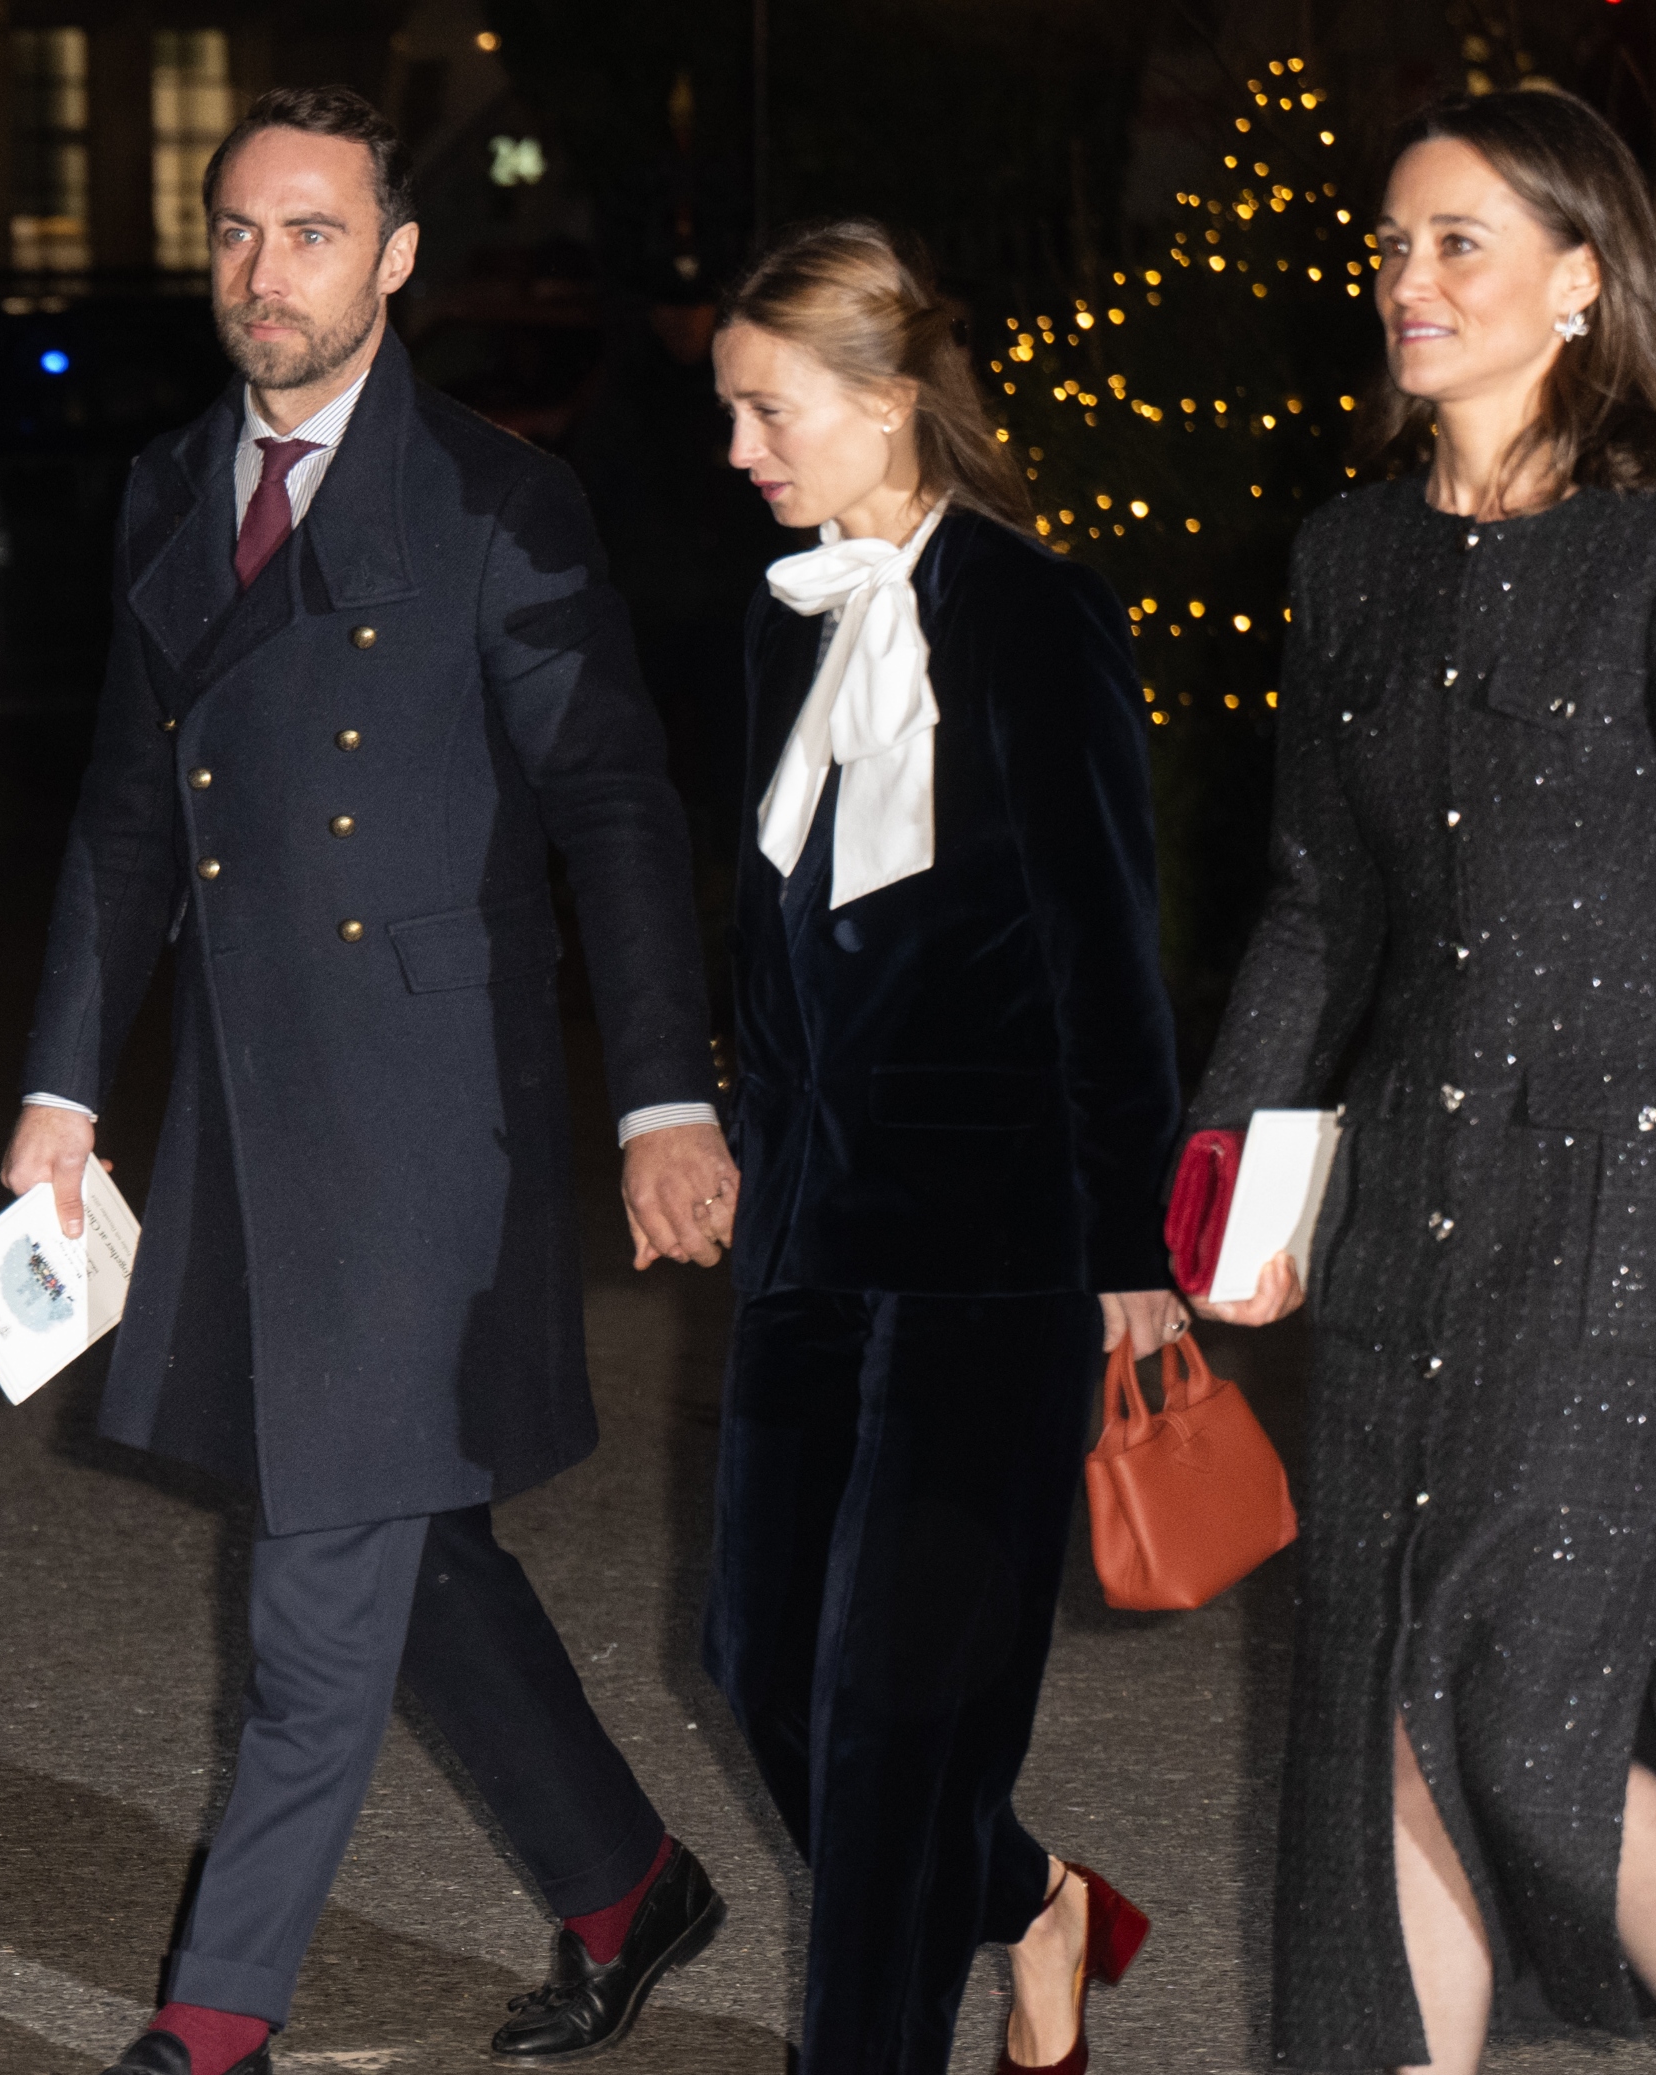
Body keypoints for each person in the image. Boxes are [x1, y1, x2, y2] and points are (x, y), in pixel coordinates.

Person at [3, 86, 738, 2075]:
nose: (263, 270)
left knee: (317, 1581)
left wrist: (660, 1091)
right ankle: (623, 1881)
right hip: (249, 1118)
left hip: (431, 1129)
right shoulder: (169, 484)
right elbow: (121, 823)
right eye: (236, 232)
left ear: (396, 259)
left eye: (309, 232)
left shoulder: (493, 504)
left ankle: (210, 2018)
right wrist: (62, 1086)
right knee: (401, 1535)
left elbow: (612, 808)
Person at [1188, 91, 1656, 2075]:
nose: (1406, 280)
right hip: (1402, 1204)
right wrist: (1237, 1187)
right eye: (1391, 244)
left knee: (1519, 1703)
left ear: (1579, 280)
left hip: (1614, 1220)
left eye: (1455, 241)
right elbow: (1312, 909)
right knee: (1390, 1690)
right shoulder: (1344, 556)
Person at [696, 221, 1183, 2075]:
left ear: (886, 399)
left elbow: (1100, 951)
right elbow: (770, 931)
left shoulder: (1033, 615)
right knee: (761, 1674)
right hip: (809, 1240)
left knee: (891, 1720)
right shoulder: (781, 610)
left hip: (999, 1249)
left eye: (764, 408)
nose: (740, 450)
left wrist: (1126, 1238)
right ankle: (1031, 1900)